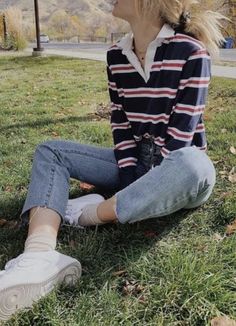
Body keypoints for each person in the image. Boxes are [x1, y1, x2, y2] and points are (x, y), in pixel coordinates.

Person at [0, 0, 225, 321]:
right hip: (135, 161)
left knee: (192, 163)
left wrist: (129, 191)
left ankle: (89, 214)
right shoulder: (116, 57)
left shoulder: (191, 53)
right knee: (51, 151)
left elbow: (180, 136)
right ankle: (39, 255)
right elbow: (120, 125)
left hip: (181, 171)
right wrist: (129, 176)